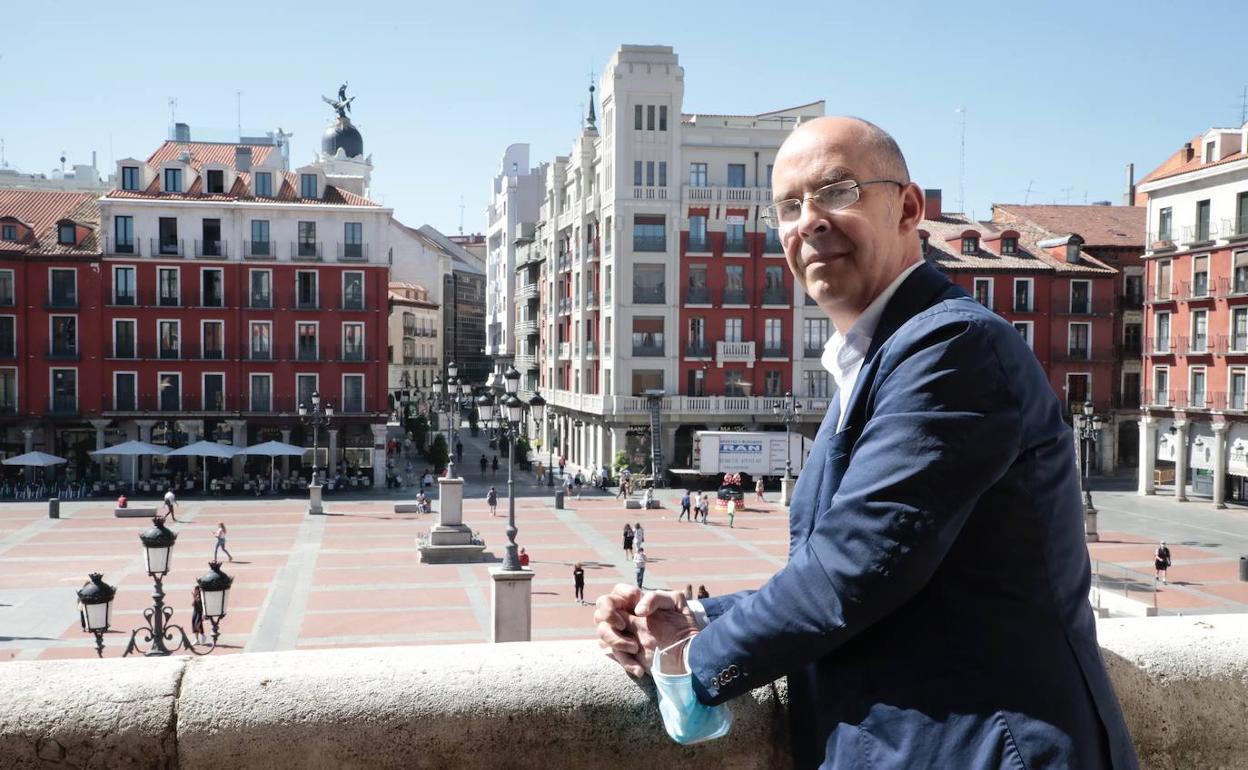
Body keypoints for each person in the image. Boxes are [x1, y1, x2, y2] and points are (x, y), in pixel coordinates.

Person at [593, 116, 1135, 769]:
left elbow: (857, 568)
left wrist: (689, 661)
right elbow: (844, 568)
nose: (809, 221)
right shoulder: (879, 358)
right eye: (789, 207)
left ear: (908, 208)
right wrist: (693, 617)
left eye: (837, 191)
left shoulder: (952, 347)